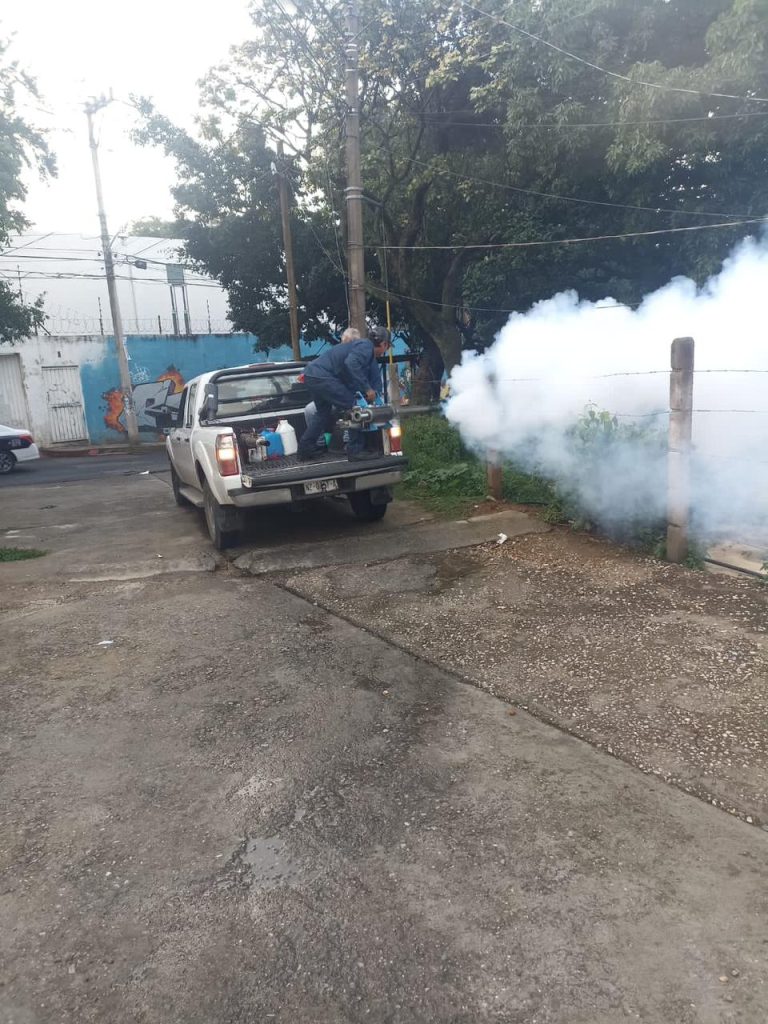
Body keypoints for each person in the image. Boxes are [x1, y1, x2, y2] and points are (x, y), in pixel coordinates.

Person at [297, 326, 390, 461]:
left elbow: (349, 373)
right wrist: (368, 389)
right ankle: (355, 451)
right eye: (387, 347)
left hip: (311, 375)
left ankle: (305, 450)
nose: (385, 351)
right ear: (384, 344)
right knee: (355, 407)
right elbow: (351, 364)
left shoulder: (359, 346)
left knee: (322, 413)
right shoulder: (366, 347)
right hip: (323, 376)